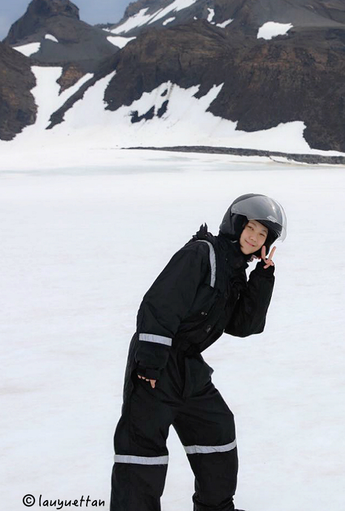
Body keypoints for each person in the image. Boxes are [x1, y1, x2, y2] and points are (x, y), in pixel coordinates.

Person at [111, 193, 287, 511]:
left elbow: (243, 325)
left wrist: (262, 277)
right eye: (252, 228)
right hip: (158, 359)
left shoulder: (235, 273)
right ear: (235, 225)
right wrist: (150, 362)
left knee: (217, 430)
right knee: (142, 450)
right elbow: (160, 304)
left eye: (263, 234)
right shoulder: (201, 253)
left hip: (189, 367)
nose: (255, 237)